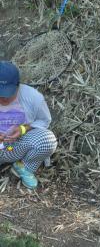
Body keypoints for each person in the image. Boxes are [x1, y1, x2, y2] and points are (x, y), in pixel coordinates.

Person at [0, 61, 57, 190]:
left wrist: (22, 129)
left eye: (7, 94)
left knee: (48, 140)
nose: (3, 99)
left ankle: (24, 166)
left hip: (16, 146)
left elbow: (44, 121)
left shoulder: (33, 97)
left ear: (18, 85)